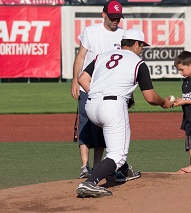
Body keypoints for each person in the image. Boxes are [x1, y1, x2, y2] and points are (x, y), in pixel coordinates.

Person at [76, 29, 173, 198]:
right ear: (136, 44)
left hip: (91, 105)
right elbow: (150, 97)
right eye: (142, 45)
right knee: (117, 154)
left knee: (116, 140)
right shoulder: (138, 62)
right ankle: (90, 183)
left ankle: (124, 172)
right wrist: (164, 102)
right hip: (112, 106)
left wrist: (97, 93)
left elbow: (82, 78)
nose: (142, 49)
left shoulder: (102, 56)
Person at [70, 0, 140, 181]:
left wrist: (129, 93)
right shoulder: (91, 32)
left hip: (111, 89)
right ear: (103, 14)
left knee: (103, 129)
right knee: (86, 126)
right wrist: (74, 82)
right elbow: (81, 57)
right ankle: (85, 166)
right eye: (112, 17)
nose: (116, 20)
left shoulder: (124, 35)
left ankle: (99, 166)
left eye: (118, 17)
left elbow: (127, 63)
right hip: (88, 85)